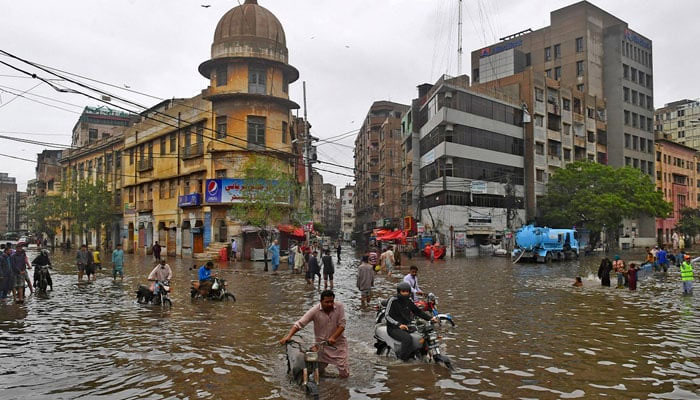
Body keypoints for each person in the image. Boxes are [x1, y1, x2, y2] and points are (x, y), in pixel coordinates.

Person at [279, 290, 349, 378]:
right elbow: (299, 324)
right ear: (321, 301)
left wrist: (333, 338)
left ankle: (342, 389)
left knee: (344, 372)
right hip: (321, 345)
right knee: (319, 371)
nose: (330, 304)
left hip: (338, 345)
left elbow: (342, 325)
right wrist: (288, 336)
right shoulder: (314, 311)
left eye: (331, 301)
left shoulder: (339, 307)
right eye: (327, 302)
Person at [385, 282, 438, 361]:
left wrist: (430, 318)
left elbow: (418, 312)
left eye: (407, 291)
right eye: (403, 291)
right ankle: (402, 360)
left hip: (406, 326)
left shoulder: (408, 300)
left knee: (422, 336)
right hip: (393, 328)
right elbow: (387, 315)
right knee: (407, 339)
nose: (405, 293)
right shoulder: (393, 300)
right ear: (399, 291)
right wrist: (398, 324)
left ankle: (421, 355)